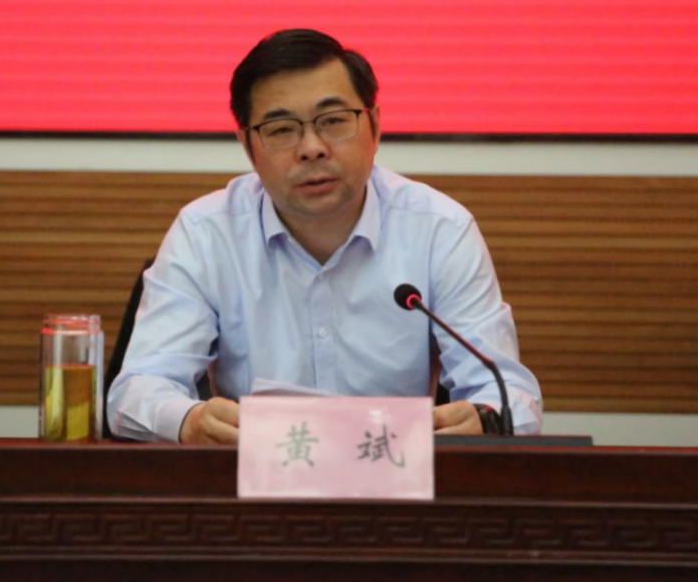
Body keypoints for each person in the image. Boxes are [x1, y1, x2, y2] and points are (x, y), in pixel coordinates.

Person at [107, 28, 542, 444]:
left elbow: (510, 394)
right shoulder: (206, 234)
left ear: (375, 127)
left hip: (395, 480)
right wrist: (190, 421)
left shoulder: (439, 230)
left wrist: (486, 418)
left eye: (333, 121)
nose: (312, 147)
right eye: (281, 129)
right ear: (248, 147)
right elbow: (136, 390)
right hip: (254, 481)